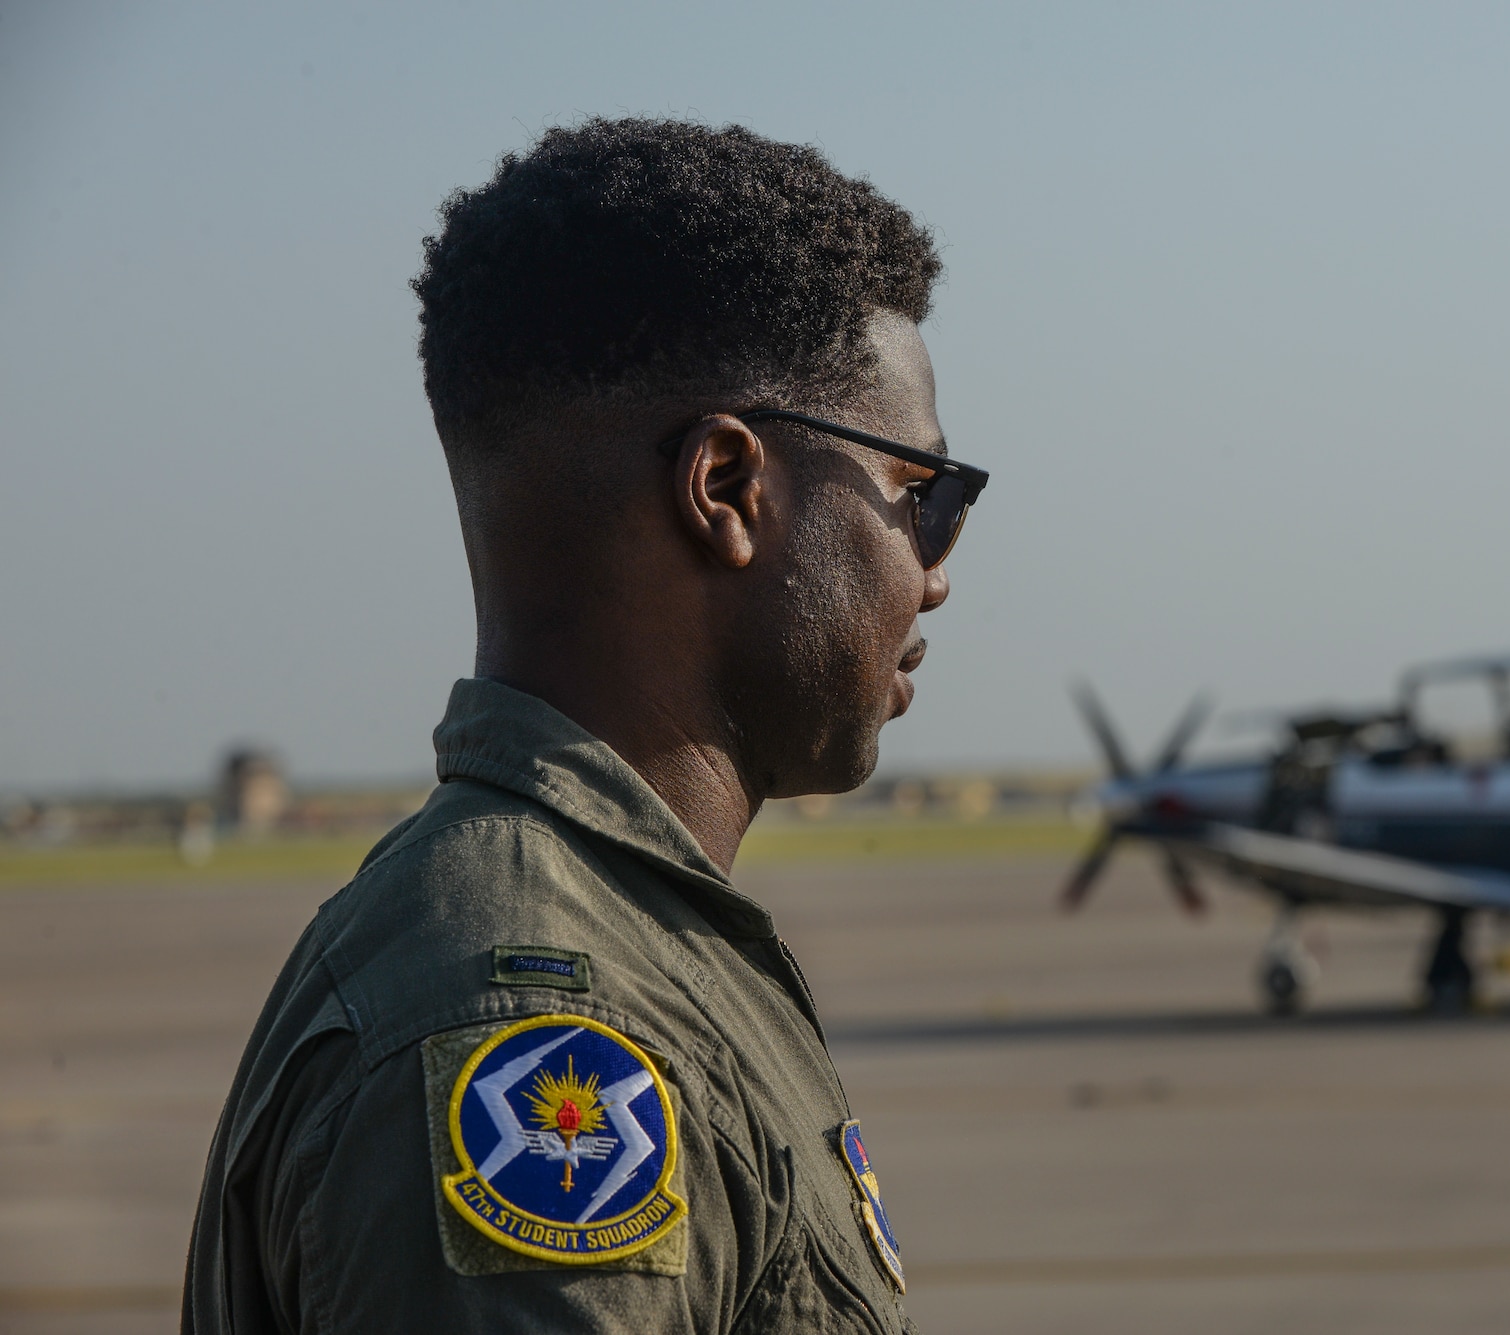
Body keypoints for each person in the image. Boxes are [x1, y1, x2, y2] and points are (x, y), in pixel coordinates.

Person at [182, 117, 988, 1335]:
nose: (934, 575)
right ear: (726, 489)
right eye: (921, 500)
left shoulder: (618, 944)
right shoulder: (545, 1042)